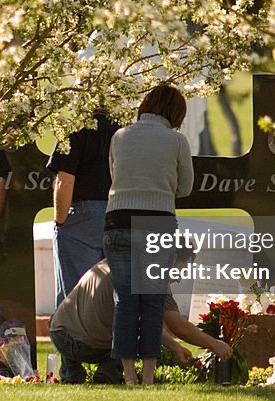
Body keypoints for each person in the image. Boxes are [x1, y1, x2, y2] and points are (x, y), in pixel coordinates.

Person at [105, 85, 194, 385]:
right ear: (175, 113)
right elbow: (185, 188)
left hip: (118, 221)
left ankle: (128, 376)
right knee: (153, 301)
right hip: (157, 224)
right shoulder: (176, 141)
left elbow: (114, 176)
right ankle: (148, 377)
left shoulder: (120, 137)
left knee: (126, 301)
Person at [48, 259, 230, 384]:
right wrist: (215, 344)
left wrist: (175, 347)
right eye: (179, 270)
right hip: (88, 345)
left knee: (112, 319)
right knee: (130, 330)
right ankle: (108, 374)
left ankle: (72, 373)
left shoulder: (119, 259)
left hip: (59, 334)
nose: (179, 278)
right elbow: (178, 326)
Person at [46, 110, 120, 307]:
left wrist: (60, 222)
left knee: (77, 297)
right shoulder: (125, 127)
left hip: (82, 217)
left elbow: (65, 181)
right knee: (111, 298)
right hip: (118, 215)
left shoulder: (77, 125)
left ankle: (75, 337)